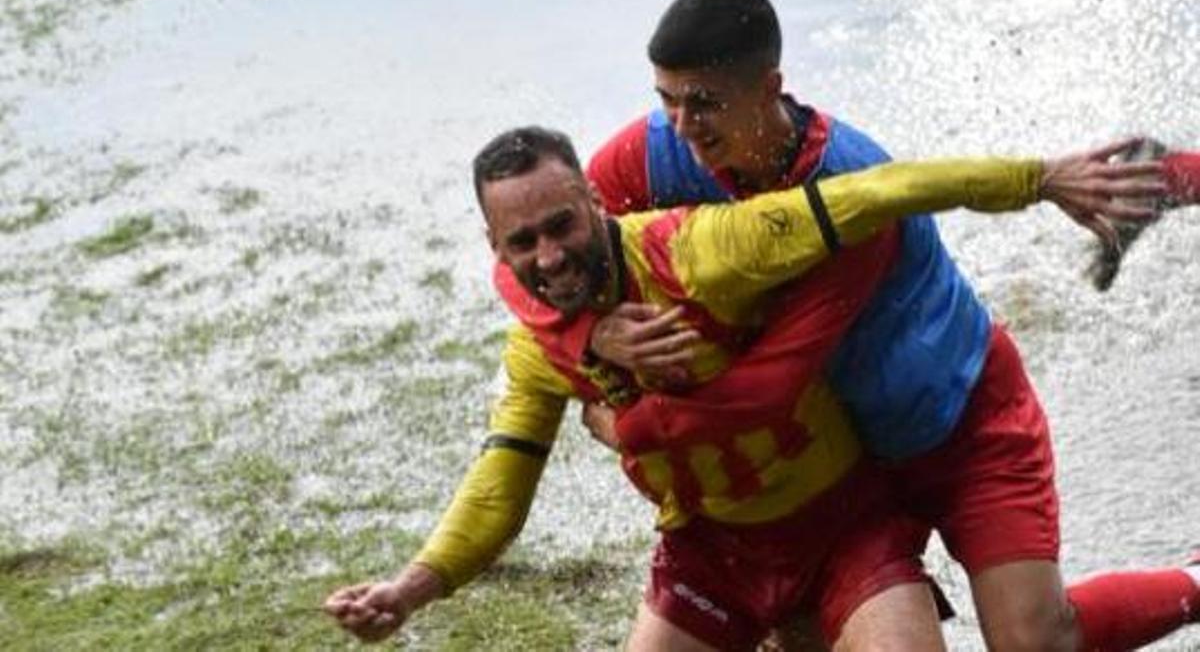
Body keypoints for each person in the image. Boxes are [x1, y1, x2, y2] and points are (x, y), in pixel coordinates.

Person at [323, 125, 1173, 650]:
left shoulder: (705, 247)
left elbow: (878, 193)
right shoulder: (536, 351)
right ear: (492, 245)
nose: (549, 257)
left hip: (847, 530)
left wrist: (1043, 178)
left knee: (1033, 638)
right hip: (711, 556)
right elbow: (498, 487)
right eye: (522, 243)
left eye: (561, 226)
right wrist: (409, 587)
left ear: (594, 199)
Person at [566, 0, 1200, 650]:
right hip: (844, 457)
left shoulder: (852, 193)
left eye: (704, 104)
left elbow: (770, 388)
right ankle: (1154, 180)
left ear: (769, 87)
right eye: (667, 101)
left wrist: (638, 427)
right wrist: (589, 335)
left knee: (1037, 640)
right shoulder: (659, 146)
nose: (683, 127)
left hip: (956, 426)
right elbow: (545, 248)